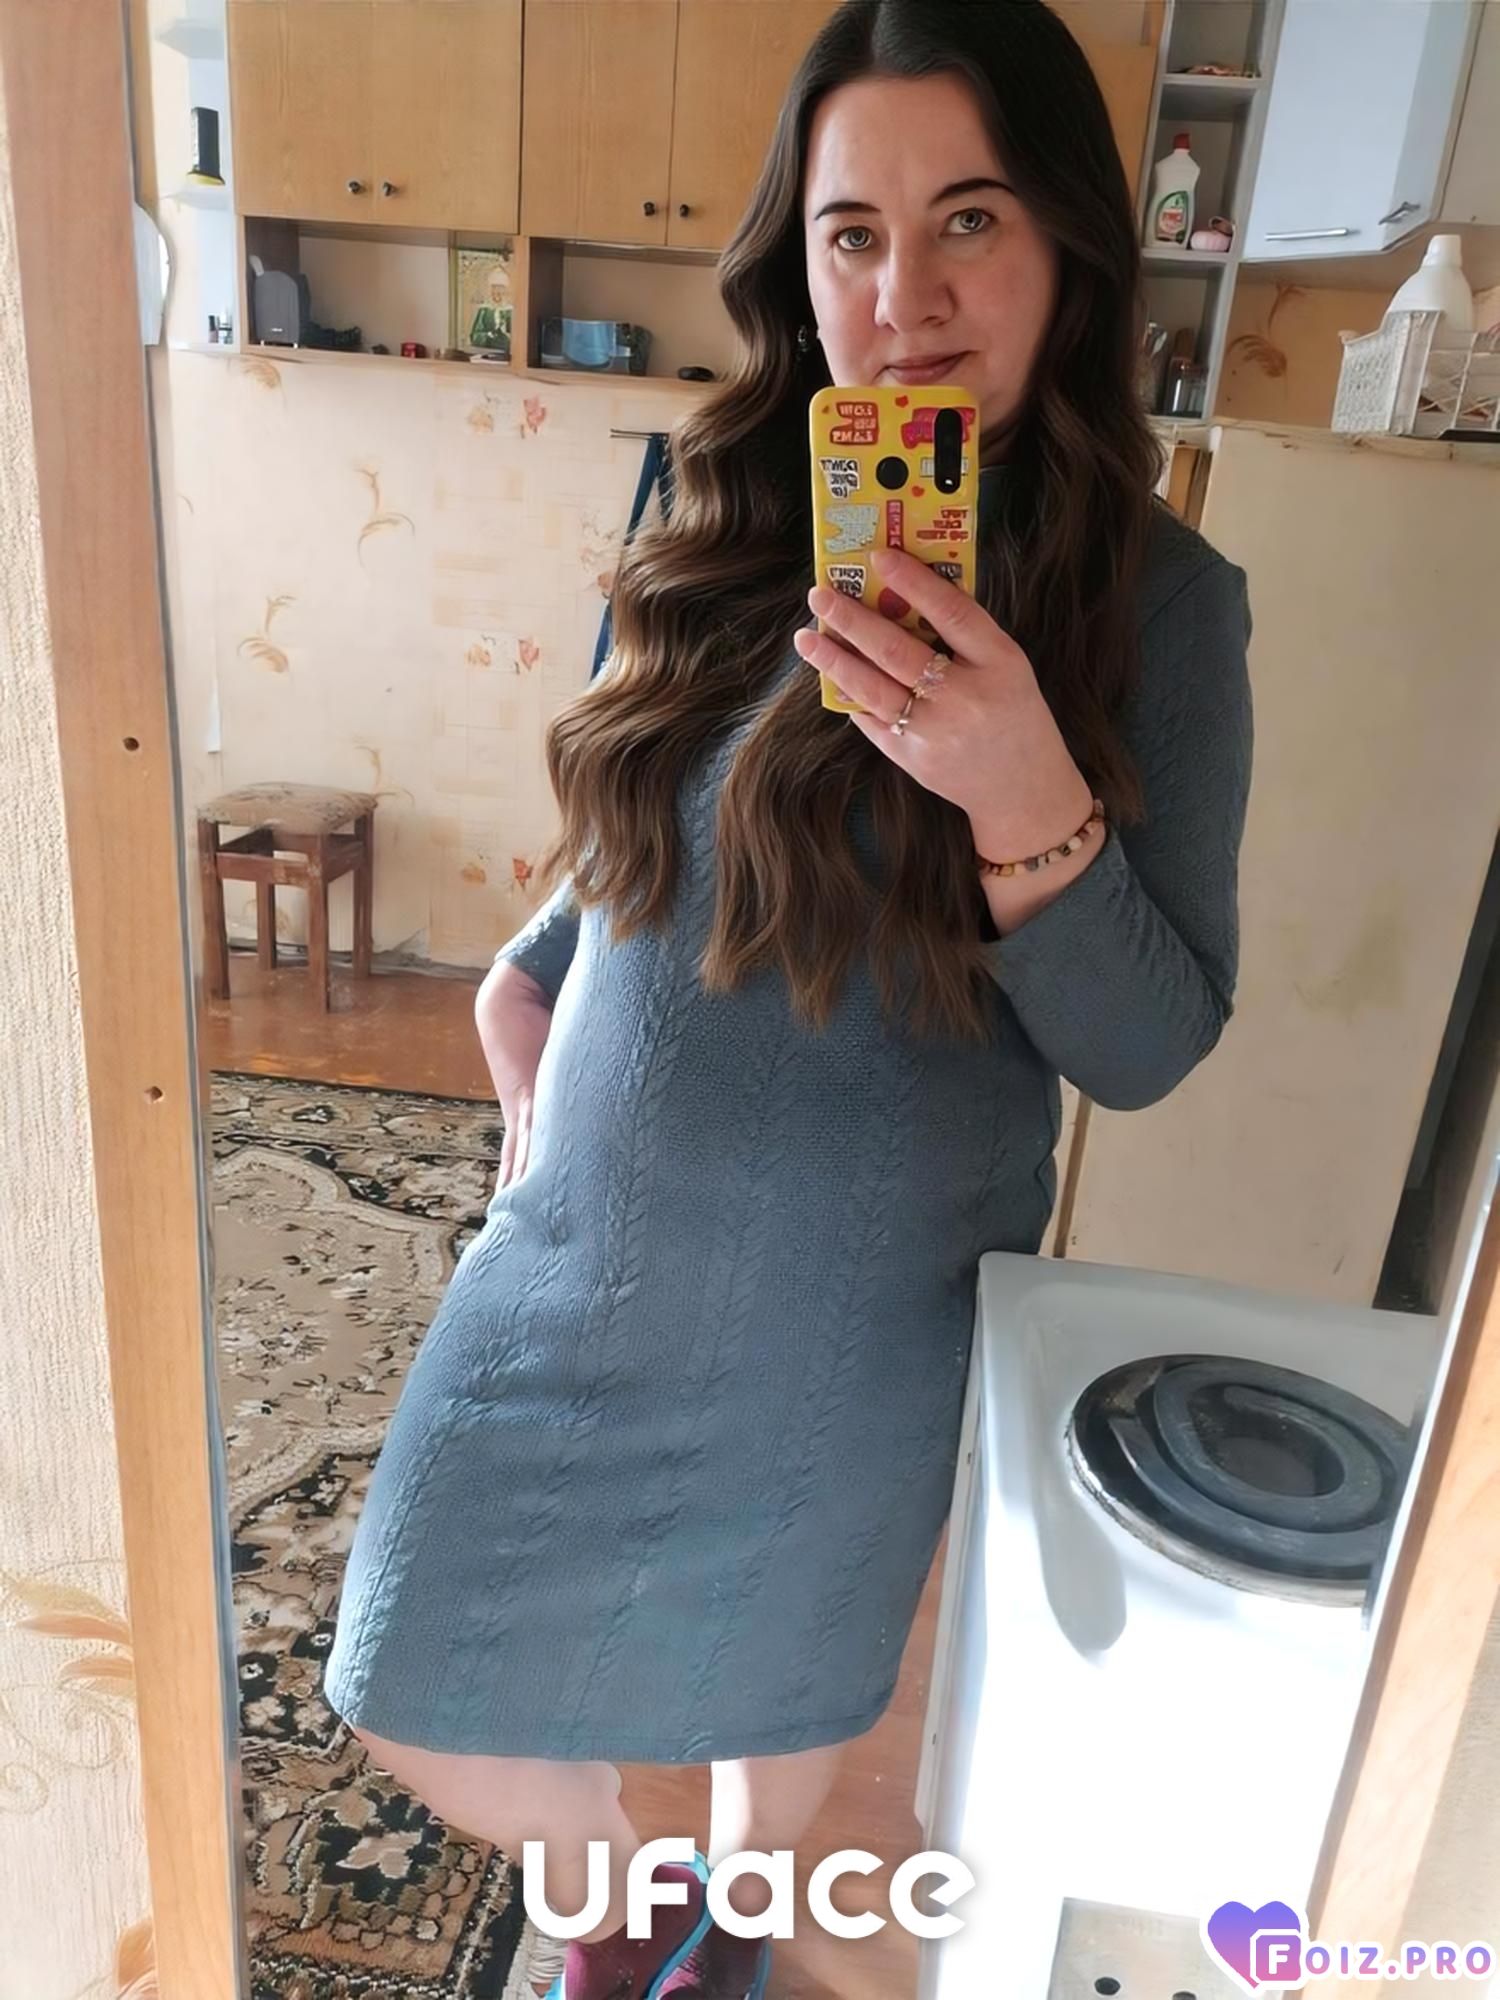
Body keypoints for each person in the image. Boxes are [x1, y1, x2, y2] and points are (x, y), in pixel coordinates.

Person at [321, 4, 1254, 1996]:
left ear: (1069, 245)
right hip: (578, 1271)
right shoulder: (709, 507)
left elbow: (1154, 1044)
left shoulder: (1162, 607)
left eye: (969, 219)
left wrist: (1024, 793)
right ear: (795, 258)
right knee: (406, 1678)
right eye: (852, 234)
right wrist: (527, 984)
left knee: (775, 1753)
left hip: (851, 1336)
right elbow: (639, 829)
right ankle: (626, 1907)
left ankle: (712, 1945)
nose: (904, 298)